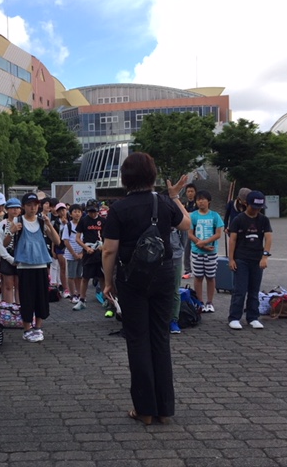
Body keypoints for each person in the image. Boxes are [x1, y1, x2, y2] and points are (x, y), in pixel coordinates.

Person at [102, 152, 190, 425]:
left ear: (125, 178)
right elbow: (186, 223)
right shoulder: (163, 202)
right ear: (152, 175)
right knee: (160, 338)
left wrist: (108, 282)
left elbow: (109, 250)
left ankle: (145, 409)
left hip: (133, 279)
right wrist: (174, 196)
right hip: (164, 275)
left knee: (138, 339)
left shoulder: (118, 209)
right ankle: (164, 409)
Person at [5, 192, 61, 342]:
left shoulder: (42, 222)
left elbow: (57, 241)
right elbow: (5, 244)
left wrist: (49, 224)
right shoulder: (17, 221)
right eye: (29, 205)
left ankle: (38, 327)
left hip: (41, 264)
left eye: (35, 205)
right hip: (24, 266)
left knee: (41, 297)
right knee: (26, 298)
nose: (33, 208)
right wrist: (11, 231)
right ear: (24, 207)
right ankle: (27, 329)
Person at [227, 191, 273, 330]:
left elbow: (268, 238)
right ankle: (234, 317)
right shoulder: (238, 219)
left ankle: (253, 317)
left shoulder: (264, 220)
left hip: (257, 259)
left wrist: (265, 256)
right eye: (254, 207)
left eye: (259, 208)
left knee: (254, 290)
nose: (256, 210)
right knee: (240, 290)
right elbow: (232, 240)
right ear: (246, 204)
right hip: (241, 258)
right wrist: (231, 259)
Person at [188, 190, 224, 313]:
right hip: (197, 251)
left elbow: (218, 234)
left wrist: (205, 242)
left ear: (209, 201)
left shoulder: (215, 216)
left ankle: (209, 302)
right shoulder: (193, 216)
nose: (201, 202)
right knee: (198, 277)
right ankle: (200, 302)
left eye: (203, 199)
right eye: (198, 199)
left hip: (211, 252)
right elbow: (190, 234)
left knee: (210, 277)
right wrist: (201, 245)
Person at [73, 199, 106, 312]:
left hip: (100, 252)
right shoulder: (84, 221)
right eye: (90, 211)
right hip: (88, 252)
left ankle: (106, 298)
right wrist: (86, 248)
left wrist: (103, 246)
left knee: (102, 277)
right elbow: (77, 238)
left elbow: (107, 237)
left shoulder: (103, 221)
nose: (92, 214)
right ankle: (82, 300)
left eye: (94, 211)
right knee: (85, 277)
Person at [0, 198, 22, 304]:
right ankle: (9, 308)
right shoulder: (2, 224)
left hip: (20, 256)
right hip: (7, 257)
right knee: (8, 285)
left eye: (17, 208)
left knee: (19, 285)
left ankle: (19, 308)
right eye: (12, 208)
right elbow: (0, 245)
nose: (15, 210)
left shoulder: (23, 223)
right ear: (7, 210)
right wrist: (10, 259)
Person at [62, 203, 84, 304]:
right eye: (75, 212)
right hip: (71, 255)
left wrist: (82, 253)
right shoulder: (68, 225)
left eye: (79, 212)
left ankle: (79, 293)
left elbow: (85, 240)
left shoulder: (83, 225)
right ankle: (72, 295)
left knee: (79, 276)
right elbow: (66, 241)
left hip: (81, 254)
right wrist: (73, 254)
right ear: (70, 214)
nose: (77, 214)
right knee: (71, 276)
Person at [51, 202, 69, 297]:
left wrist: (67, 224)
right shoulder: (55, 222)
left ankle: (71, 288)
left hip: (70, 247)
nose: (62, 212)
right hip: (60, 247)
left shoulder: (71, 220)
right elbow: (53, 237)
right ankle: (65, 288)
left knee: (70, 268)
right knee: (62, 267)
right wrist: (53, 250)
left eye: (63, 210)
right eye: (60, 211)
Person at [182, 183, 197, 279]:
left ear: (195, 192)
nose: (190, 193)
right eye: (188, 191)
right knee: (186, 249)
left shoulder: (198, 203)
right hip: (187, 229)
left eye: (192, 191)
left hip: (197, 229)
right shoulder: (184, 204)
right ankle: (187, 270)